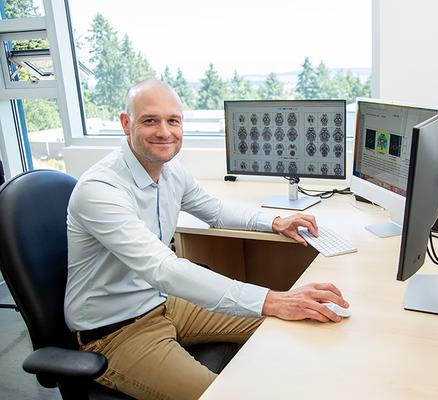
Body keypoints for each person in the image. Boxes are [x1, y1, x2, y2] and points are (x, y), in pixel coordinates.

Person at [64, 79, 349, 399]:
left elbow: (215, 211)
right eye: (150, 121)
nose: (164, 132)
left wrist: (275, 221)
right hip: (117, 331)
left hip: (163, 303)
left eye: (173, 121)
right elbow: (166, 270)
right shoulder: (100, 190)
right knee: (223, 394)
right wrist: (272, 299)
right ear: (125, 123)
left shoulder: (171, 171)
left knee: (291, 325)